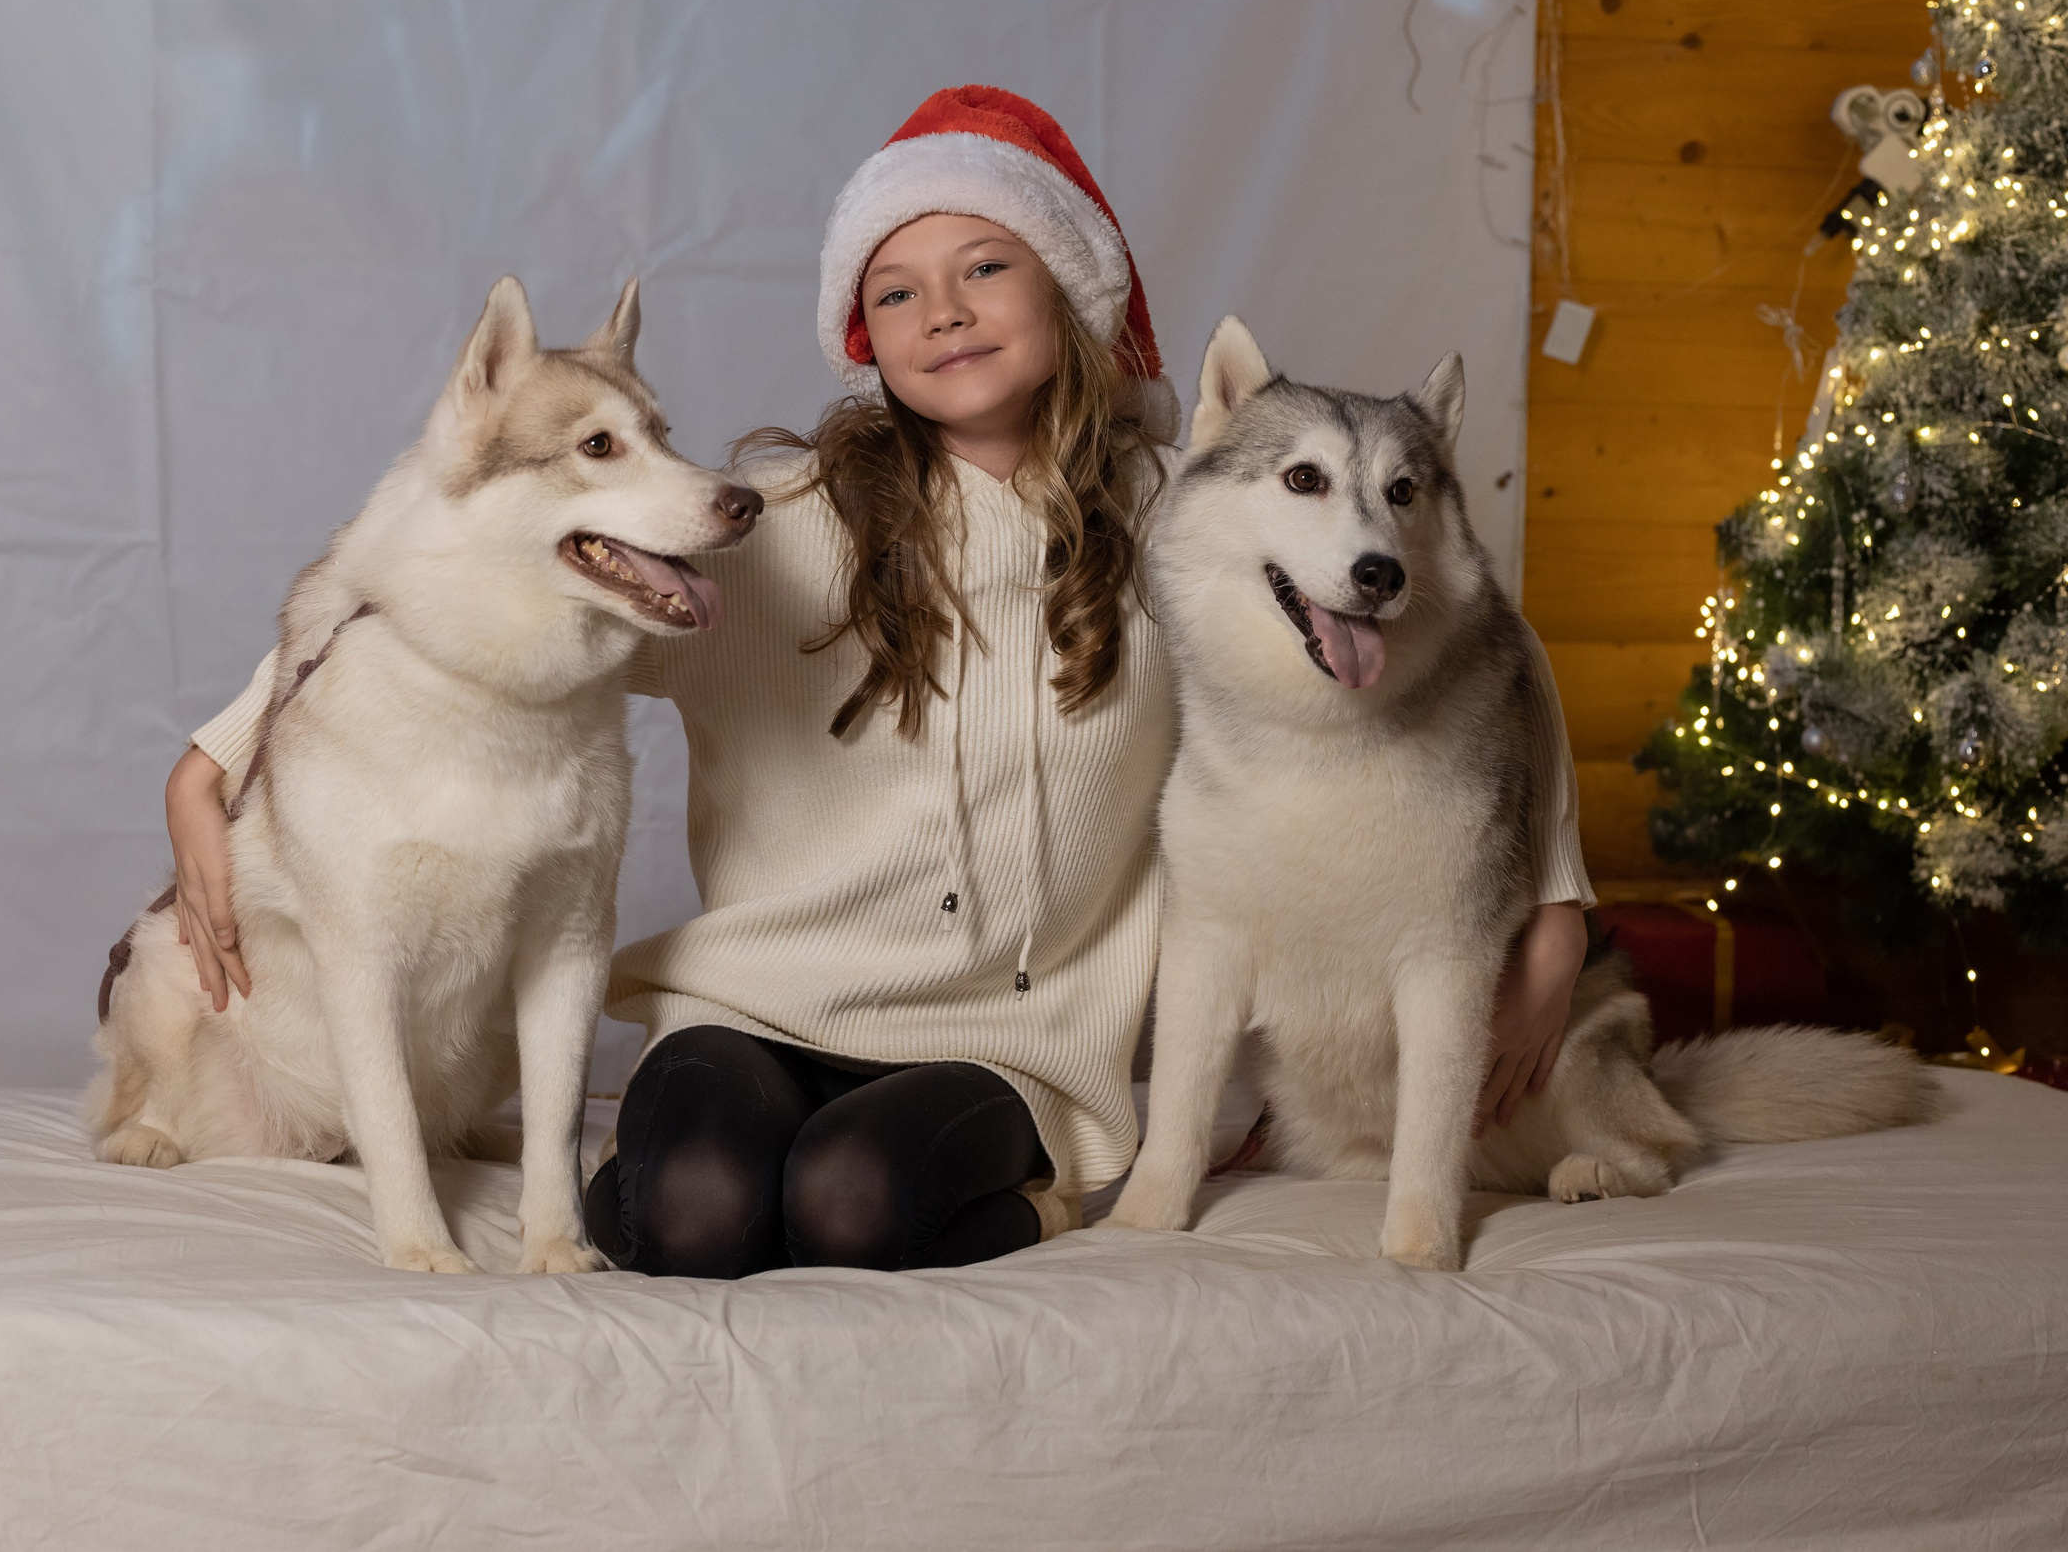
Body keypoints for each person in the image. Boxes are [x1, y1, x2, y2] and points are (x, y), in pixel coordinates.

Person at [164, 86, 1594, 1278]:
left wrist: (1553, 904)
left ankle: (1031, 1189)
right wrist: (219, 754)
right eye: (897, 291)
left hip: (1007, 1037)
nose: (943, 312)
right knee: (697, 1213)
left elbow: (1465, 622)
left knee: (851, 1206)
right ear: (868, 336)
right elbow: (452, 588)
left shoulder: (1188, 518)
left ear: (1068, 290)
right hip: (759, 1009)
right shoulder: (774, 523)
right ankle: (666, 1156)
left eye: (986, 269)